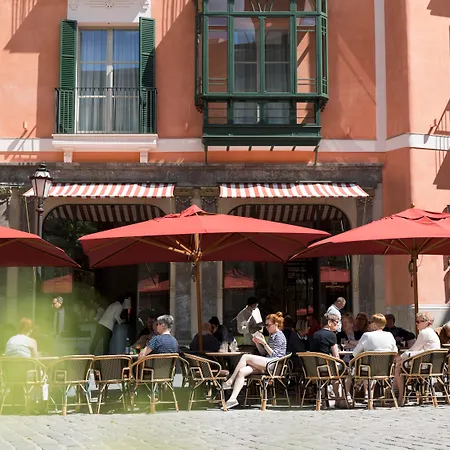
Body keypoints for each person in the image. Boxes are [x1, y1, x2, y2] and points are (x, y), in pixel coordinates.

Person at [222, 312, 286, 410]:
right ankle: (232, 399)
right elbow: (264, 353)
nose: (266, 327)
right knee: (242, 371)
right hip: (267, 362)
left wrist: (264, 343)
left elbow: (274, 355)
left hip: (273, 364)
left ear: (275, 324)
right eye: (266, 325)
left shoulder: (279, 336)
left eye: (268, 325)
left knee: (245, 357)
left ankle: (230, 380)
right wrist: (257, 343)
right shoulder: (272, 335)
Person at [394, 312, 441, 405]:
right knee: (400, 363)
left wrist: (399, 357)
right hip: (433, 364)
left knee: (398, 367)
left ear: (426, 322)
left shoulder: (424, 333)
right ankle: (396, 391)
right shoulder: (432, 332)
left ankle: (400, 396)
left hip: (424, 365)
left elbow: (414, 349)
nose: (416, 324)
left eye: (418, 321)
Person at [309, 313, 349, 407]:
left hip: (315, 368)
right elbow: (336, 356)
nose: (338, 325)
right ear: (329, 323)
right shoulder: (331, 335)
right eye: (336, 323)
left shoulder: (314, 335)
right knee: (346, 371)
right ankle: (340, 398)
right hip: (327, 367)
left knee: (335, 371)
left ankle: (326, 399)